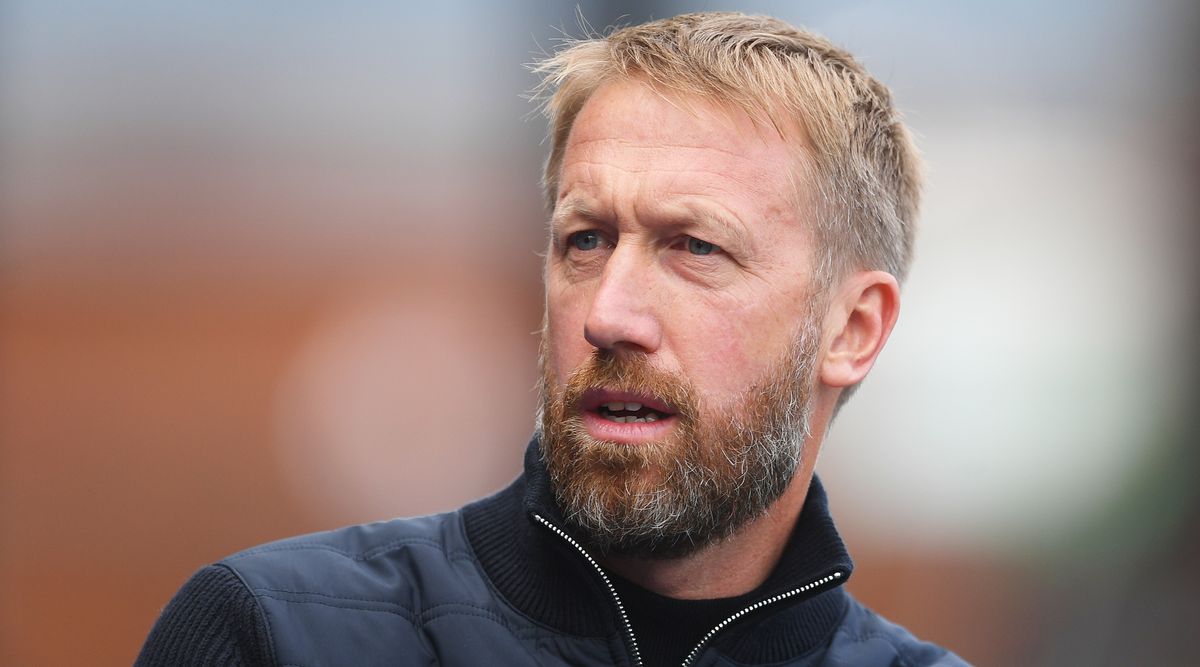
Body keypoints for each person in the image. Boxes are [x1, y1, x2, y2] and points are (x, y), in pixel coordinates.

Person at [137, 12, 967, 666]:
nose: (608, 314)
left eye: (694, 247)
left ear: (852, 330)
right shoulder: (273, 634)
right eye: (587, 240)